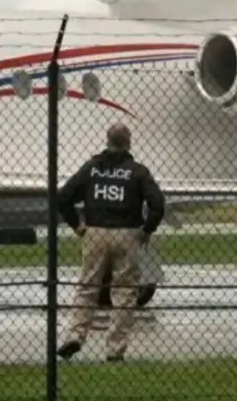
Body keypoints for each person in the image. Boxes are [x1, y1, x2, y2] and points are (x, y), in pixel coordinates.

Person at [55, 122, 166, 362]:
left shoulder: (92, 169)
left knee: (87, 287)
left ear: (107, 141)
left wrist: (77, 225)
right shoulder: (137, 171)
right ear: (128, 143)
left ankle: (76, 334)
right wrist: (147, 229)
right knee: (125, 291)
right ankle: (115, 349)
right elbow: (158, 203)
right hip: (127, 233)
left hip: (95, 231)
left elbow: (63, 197)